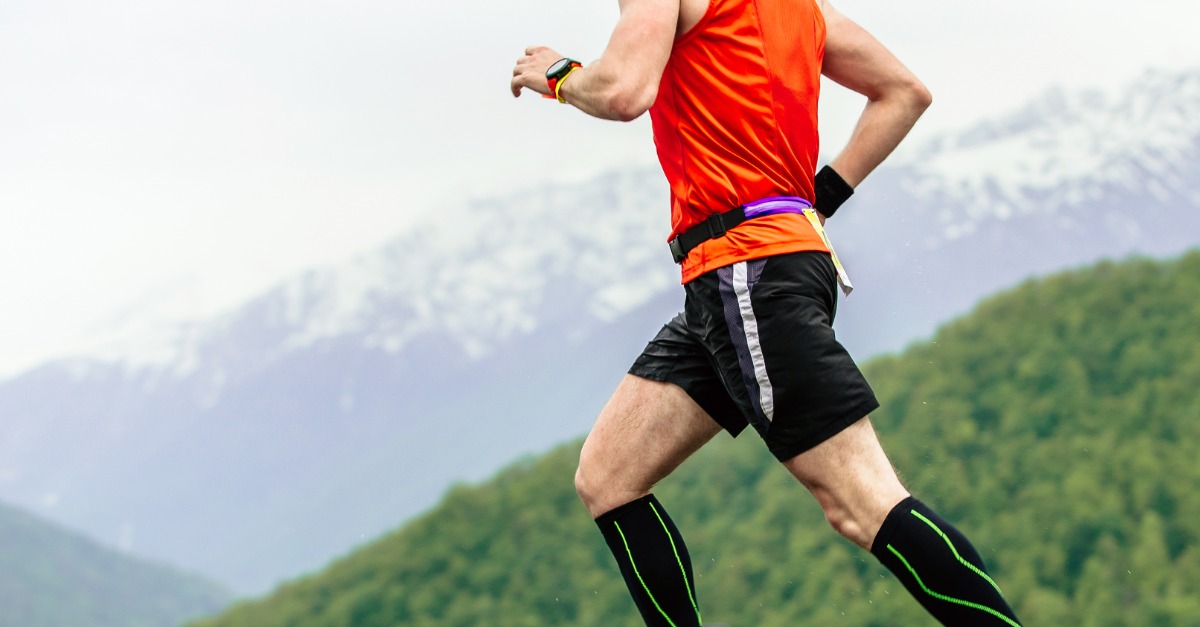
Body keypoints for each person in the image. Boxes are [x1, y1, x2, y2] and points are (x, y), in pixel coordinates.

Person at [511, 0, 1022, 625]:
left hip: (745, 276)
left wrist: (558, 73)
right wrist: (817, 199)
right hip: (751, 272)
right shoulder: (799, 7)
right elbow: (904, 93)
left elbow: (623, 90)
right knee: (609, 475)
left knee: (864, 505)